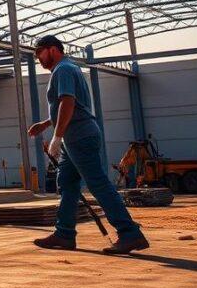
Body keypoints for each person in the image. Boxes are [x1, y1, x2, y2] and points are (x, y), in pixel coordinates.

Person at [27, 35, 149, 254]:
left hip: (79, 136)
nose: (38, 58)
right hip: (73, 138)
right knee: (66, 183)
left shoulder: (63, 70)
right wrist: (47, 124)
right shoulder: (67, 69)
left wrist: (56, 136)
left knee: (98, 184)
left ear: (53, 50)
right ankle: (64, 233)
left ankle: (130, 233)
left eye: (39, 53)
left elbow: (68, 102)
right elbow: (70, 105)